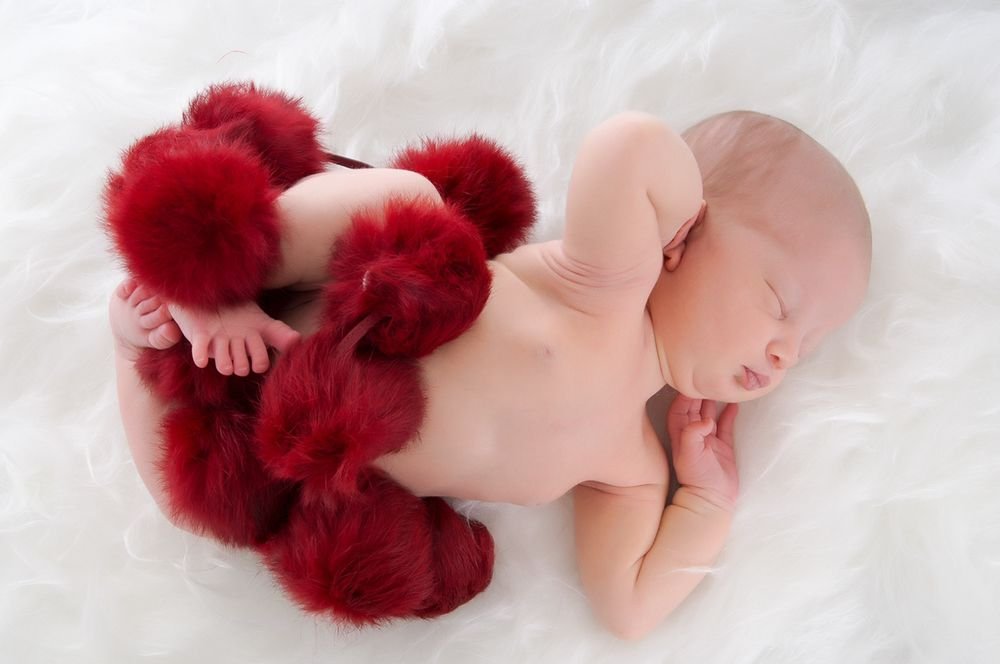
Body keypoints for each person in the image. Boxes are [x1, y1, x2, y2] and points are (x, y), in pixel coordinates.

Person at [108, 109, 870, 640]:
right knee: (406, 198)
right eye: (780, 304)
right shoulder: (608, 283)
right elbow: (629, 143)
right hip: (332, 298)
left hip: (284, 442)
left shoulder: (631, 465)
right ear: (686, 234)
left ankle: (132, 341)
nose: (785, 353)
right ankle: (207, 281)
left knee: (199, 511)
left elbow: (630, 607)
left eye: (806, 345)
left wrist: (705, 500)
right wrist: (674, 214)